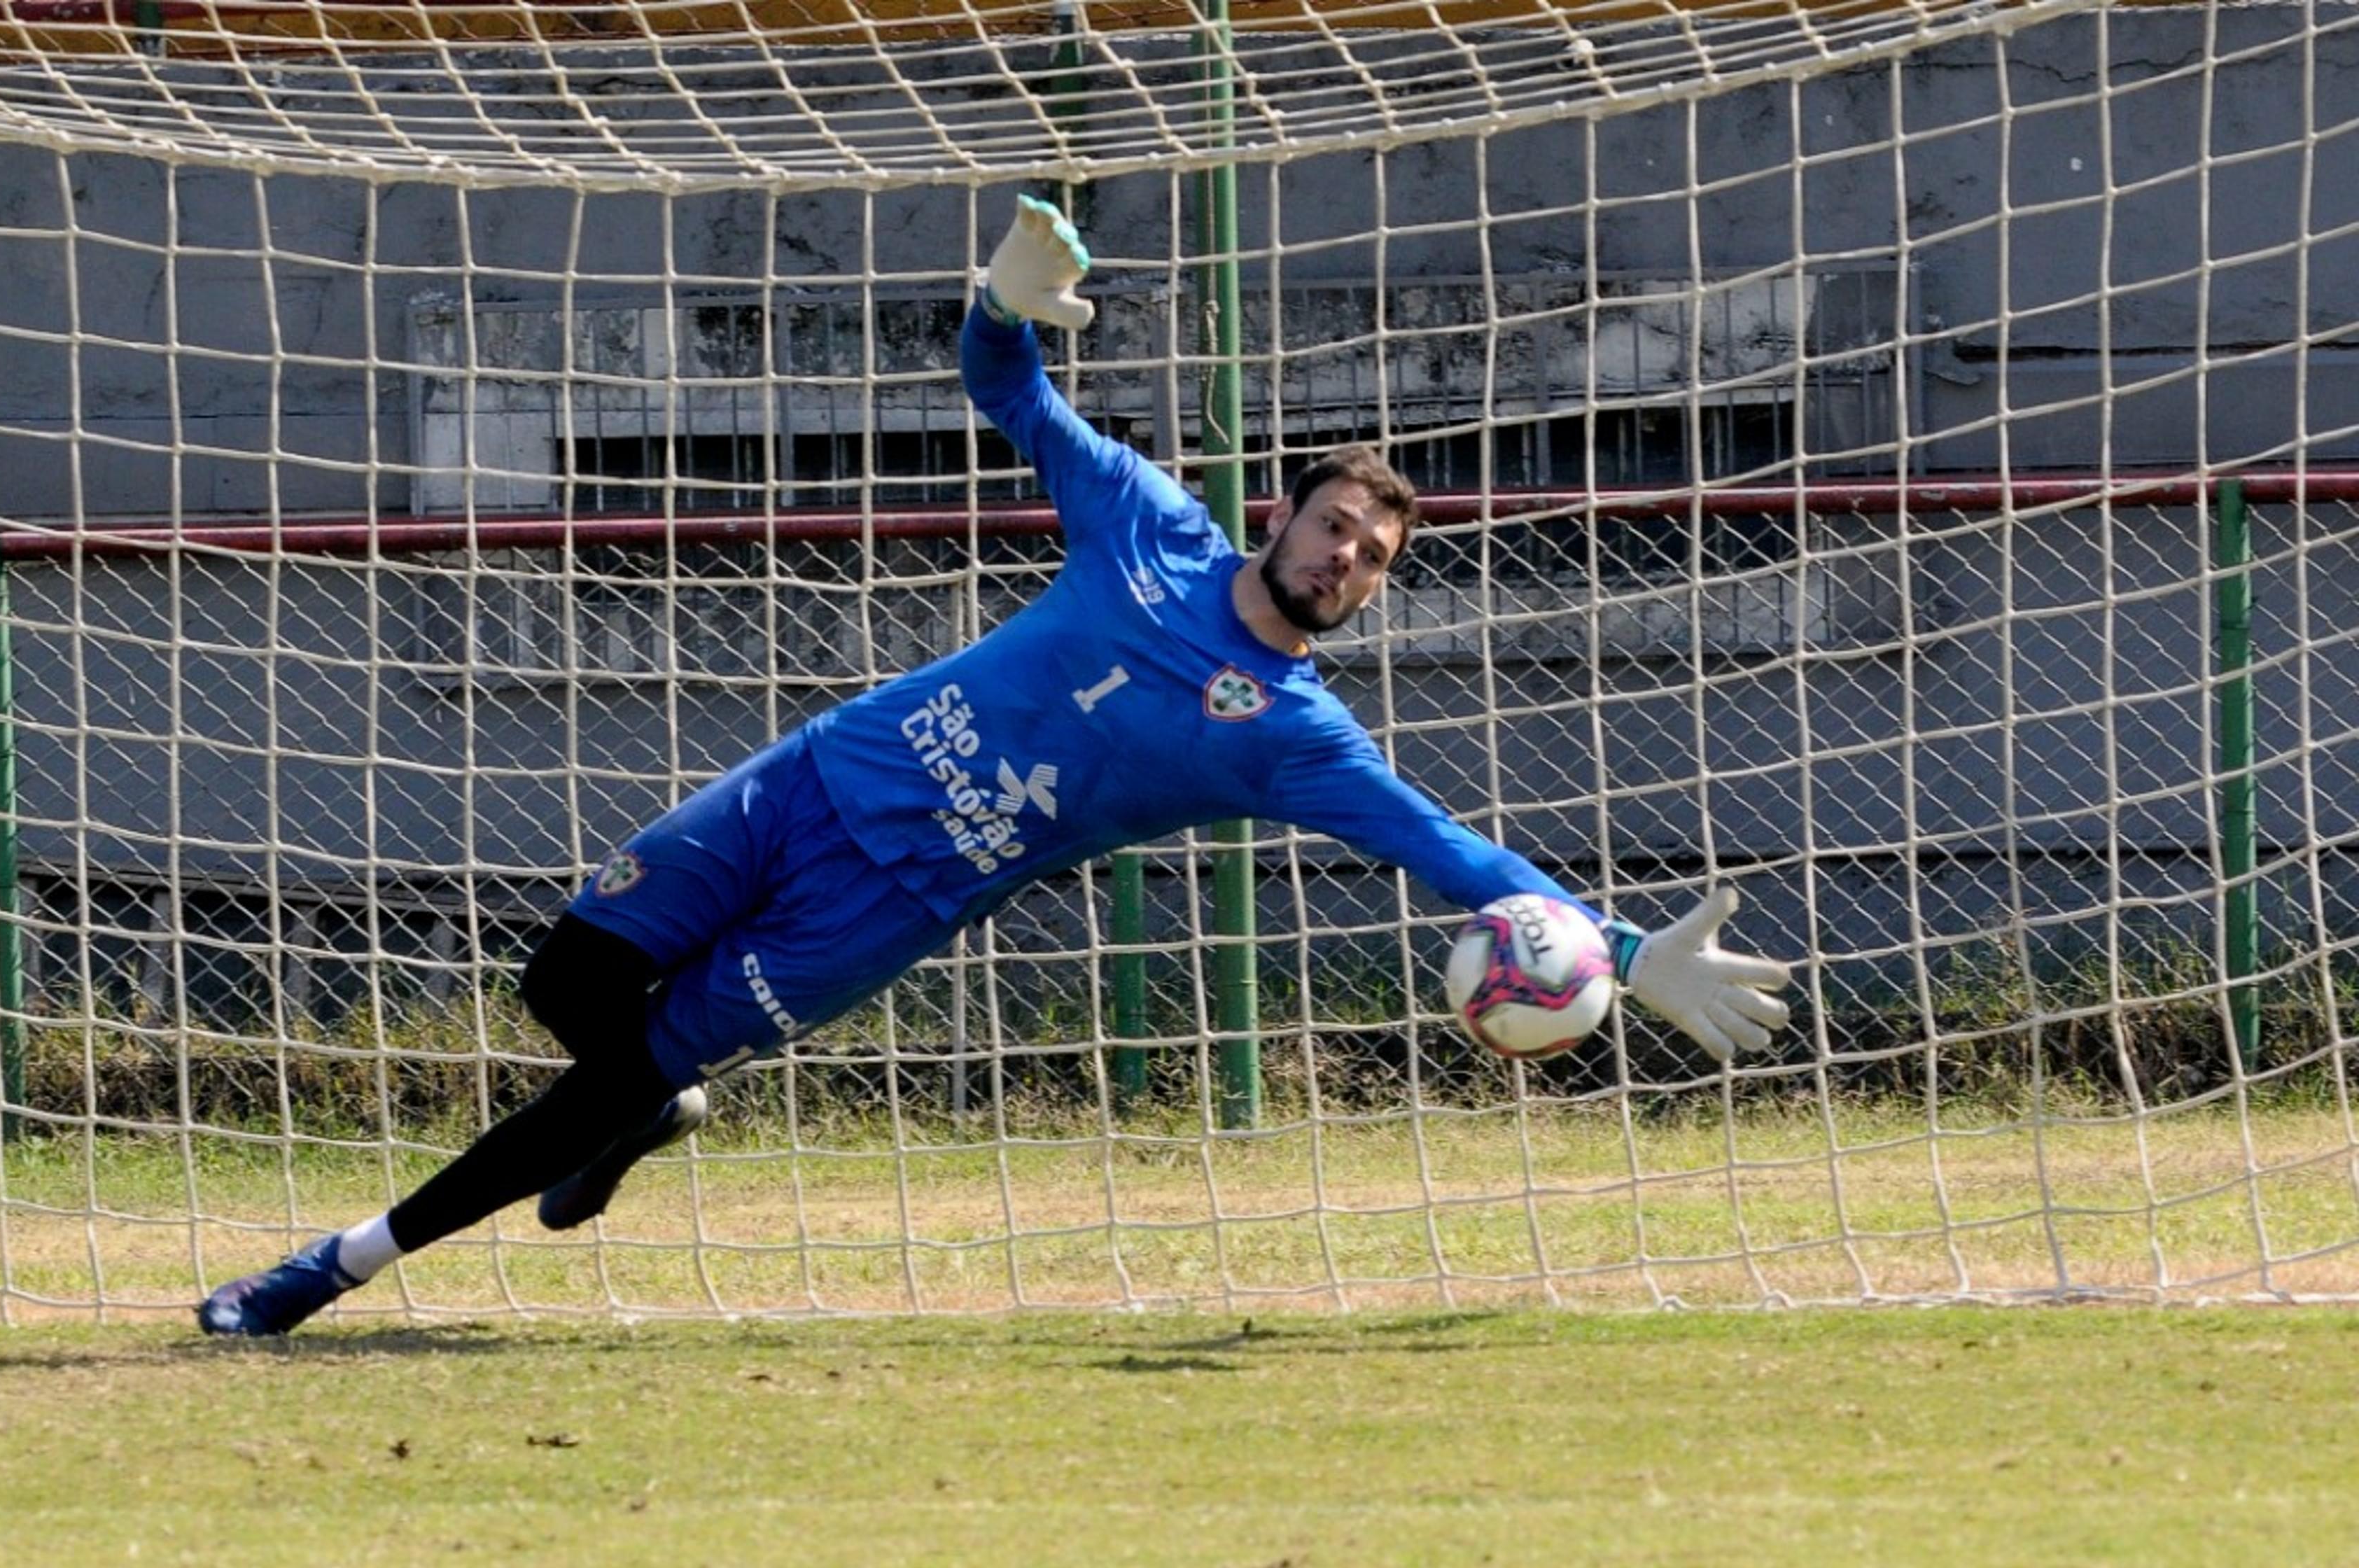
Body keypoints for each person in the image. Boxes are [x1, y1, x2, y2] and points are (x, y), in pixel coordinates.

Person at [198, 197, 1794, 1337]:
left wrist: (1612, 949)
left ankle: (335, 1268)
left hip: (879, 909)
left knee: (607, 1069)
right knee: (565, 985)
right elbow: (1005, 388)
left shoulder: (1299, 739)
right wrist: (1000, 298)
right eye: (1334, 524)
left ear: (1373, 587)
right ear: (1286, 515)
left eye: (1373, 557)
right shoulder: (1152, 528)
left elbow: (1445, 850)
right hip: (813, 779)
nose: (1345, 556)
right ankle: (642, 1107)